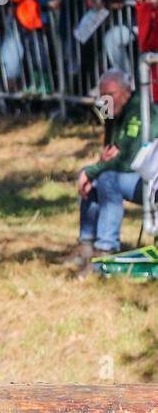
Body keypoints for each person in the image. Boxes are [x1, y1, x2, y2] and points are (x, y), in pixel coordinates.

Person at [65, 70, 157, 267]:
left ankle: (106, 250)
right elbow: (109, 150)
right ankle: (86, 244)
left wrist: (94, 170)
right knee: (95, 179)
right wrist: (97, 167)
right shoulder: (108, 108)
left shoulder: (141, 109)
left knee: (105, 178)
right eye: (102, 95)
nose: (106, 100)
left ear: (126, 91)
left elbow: (127, 159)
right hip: (131, 177)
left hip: (150, 183)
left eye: (111, 94)